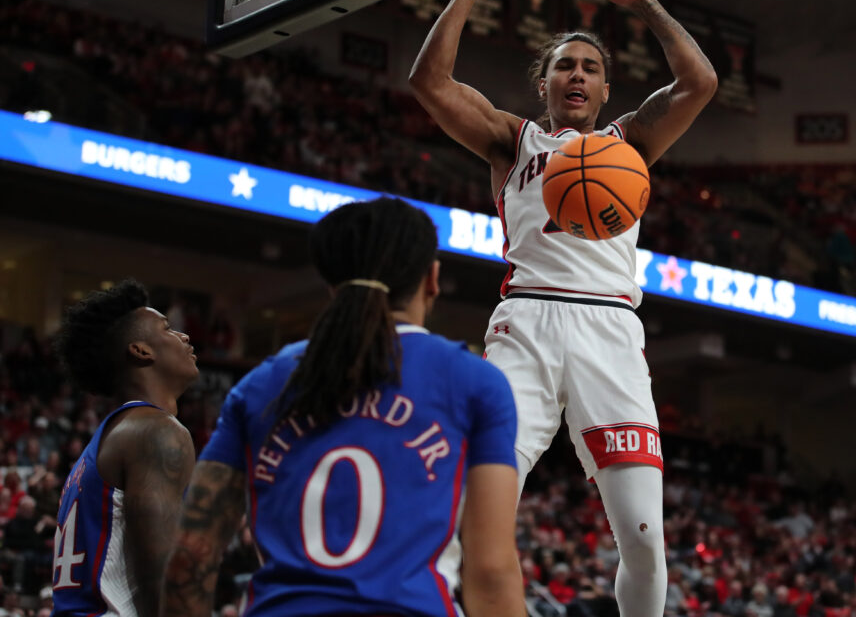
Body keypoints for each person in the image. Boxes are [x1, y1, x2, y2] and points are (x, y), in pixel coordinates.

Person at [408, 0, 718, 617]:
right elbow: (429, 82)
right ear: (543, 83)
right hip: (525, 326)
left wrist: (643, 4)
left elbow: (700, 83)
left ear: (606, 90)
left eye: (591, 68)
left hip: (609, 331)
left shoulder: (629, 140)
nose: (577, 74)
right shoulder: (511, 142)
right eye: (565, 66)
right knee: (469, 508)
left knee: (644, 540)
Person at [163, 196, 523, 617]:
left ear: (332, 283)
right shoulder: (475, 381)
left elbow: (189, 557)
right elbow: (492, 572)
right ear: (432, 279)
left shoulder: (259, 386)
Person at [51, 279, 199, 617]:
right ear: (141, 349)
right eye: (168, 329)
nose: (184, 336)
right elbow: (165, 583)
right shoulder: (156, 431)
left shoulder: (108, 438)